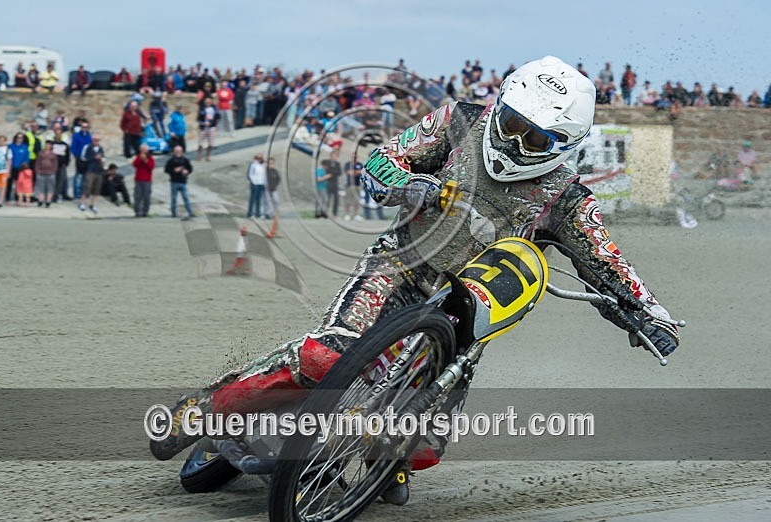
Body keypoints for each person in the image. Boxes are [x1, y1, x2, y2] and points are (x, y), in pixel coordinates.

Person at [150, 56, 681, 504]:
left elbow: (609, 262)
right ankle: (204, 409)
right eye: (511, 123)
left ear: (563, 142)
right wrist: (413, 185)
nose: (514, 140)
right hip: (397, 268)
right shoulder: (459, 121)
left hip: (461, 314)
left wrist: (648, 315)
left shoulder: (566, 199)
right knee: (323, 358)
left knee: (421, 447)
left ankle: (384, 464)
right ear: (500, 107)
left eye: (533, 136)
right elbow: (381, 162)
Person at [164, 145, 195, 219]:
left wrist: (187, 171)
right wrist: (174, 170)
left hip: (183, 181)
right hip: (174, 181)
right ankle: (173, 213)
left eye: (179, 151)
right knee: (174, 198)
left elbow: (190, 169)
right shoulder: (171, 160)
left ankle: (190, 212)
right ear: (174, 152)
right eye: (176, 151)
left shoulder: (185, 160)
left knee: (186, 197)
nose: (178, 152)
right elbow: (166, 170)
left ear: (182, 151)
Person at [79, 135, 105, 213]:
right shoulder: (88, 147)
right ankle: (82, 203)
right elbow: (83, 157)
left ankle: (92, 204)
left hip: (99, 170)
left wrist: (101, 159)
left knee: (96, 188)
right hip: (90, 170)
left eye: (98, 140)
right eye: (95, 140)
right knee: (87, 186)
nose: (96, 142)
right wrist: (94, 157)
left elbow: (104, 158)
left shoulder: (101, 148)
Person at [46, 127, 71, 202]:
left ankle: (56, 196)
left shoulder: (64, 144)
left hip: (61, 166)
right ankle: (49, 195)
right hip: (52, 166)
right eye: (56, 134)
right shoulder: (51, 144)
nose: (58, 135)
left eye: (59, 134)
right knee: (51, 181)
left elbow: (67, 155)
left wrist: (66, 163)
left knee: (60, 181)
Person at [70, 122, 92, 199]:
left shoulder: (89, 136)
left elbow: (90, 146)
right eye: (83, 127)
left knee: (86, 177)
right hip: (79, 159)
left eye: (86, 127)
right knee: (78, 176)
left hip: (87, 159)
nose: (84, 128)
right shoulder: (76, 136)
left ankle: (84, 193)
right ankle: (76, 193)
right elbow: (73, 147)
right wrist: (77, 156)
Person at [132, 144, 155, 217]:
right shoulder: (138, 157)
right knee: (137, 196)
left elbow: (151, 167)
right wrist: (140, 159)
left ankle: (145, 211)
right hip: (138, 179)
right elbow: (134, 164)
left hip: (147, 180)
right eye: (142, 150)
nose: (144, 151)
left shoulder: (150, 158)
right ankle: (137, 211)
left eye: (145, 150)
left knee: (146, 197)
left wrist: (145, 160)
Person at [34, 143, 58, 208]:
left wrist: (53, 172)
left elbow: (55, 164)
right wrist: (37, 171)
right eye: (46, 145)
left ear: (51, 146)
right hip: (41, 173)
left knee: (50, 187)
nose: (47, 146)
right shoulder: (40, 153)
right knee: (40, 187)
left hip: (50, 173)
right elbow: (37, 163)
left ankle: (48, 201)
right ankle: (40, 200)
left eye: (49, 145)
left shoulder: (53, 154)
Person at [197, 97, 219, 161]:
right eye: (206, 102)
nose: (208, 103)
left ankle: (207, 156)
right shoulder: (202, 109)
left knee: (210, 143)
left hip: (211, 127)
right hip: (203, 128)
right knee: (200, 143)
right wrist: (203, 123)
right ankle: (199, 156)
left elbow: (217, 117)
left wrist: (215, 125)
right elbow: (198, 119)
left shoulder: (214, 109)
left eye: (209, 102)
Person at [246, 153, 266, 218]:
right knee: (252, 199)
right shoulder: (253, 165)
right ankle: (250, 213)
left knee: (259, 200)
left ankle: (258, 213)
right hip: (255, 184)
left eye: (260, 158)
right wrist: (253, 182)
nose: (259, 159)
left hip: (261, 183)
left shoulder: (263, 165)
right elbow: (250, 174)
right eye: (258, 158)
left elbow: (264, 174)